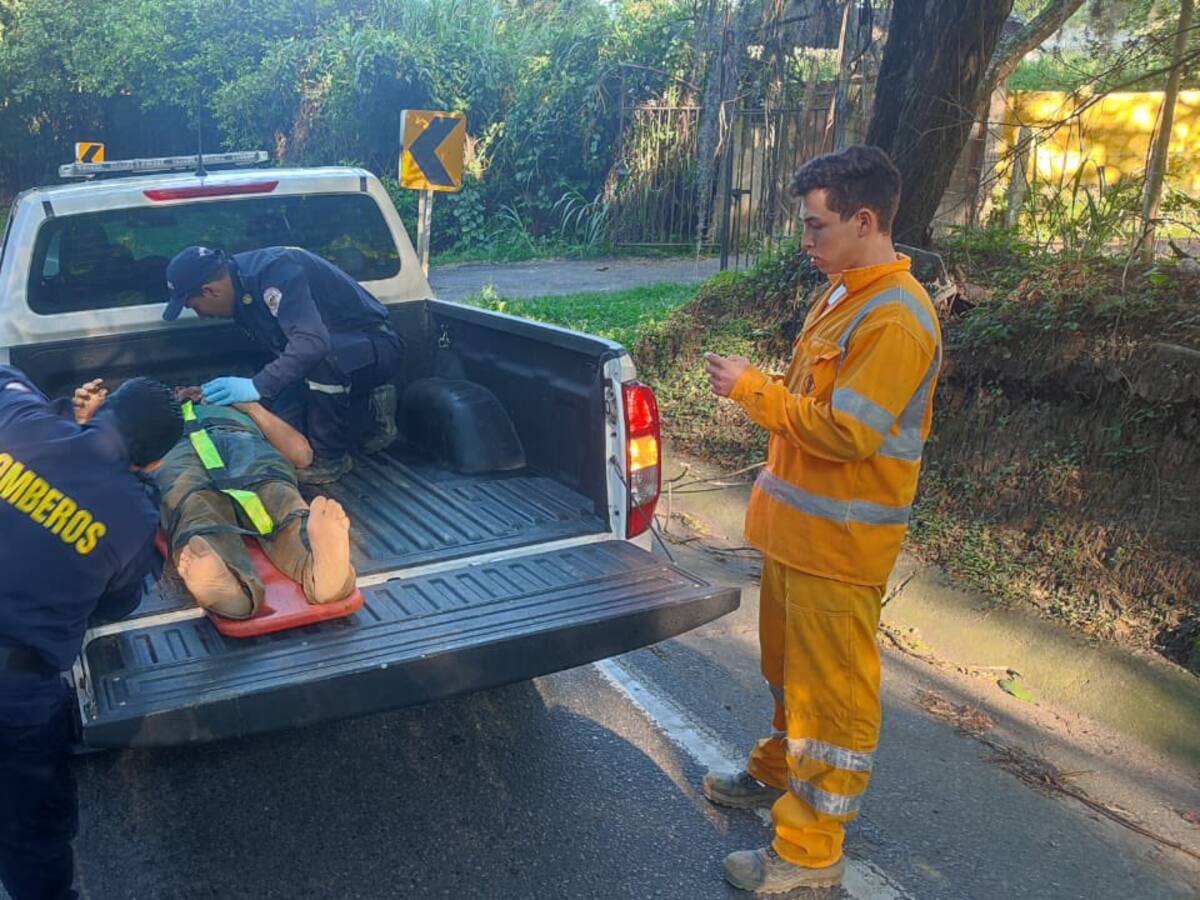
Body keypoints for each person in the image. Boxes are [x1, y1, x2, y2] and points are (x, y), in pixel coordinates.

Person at [702, 145, 943, 893]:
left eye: (816, 227)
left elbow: (847, 433)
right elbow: (812, 405)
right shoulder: (844, 291)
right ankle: (777, 772)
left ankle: (808, 854)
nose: (805, 243)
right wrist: (764, 388)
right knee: (788, 677)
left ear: (865, 220)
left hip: (841, 547)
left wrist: (751, 391)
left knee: (828, 700)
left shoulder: (895, 319)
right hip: (799, 538)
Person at [0, 371, 182, 900]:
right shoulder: (135, 515)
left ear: (105, 410)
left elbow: (7, 379)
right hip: (18, 693)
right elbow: (114, 604)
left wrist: (65, 419)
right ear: (151, 461)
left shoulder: (20, 422)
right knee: (32, 836)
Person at [73, 381, 356, 620]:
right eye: (175, 391)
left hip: (242, 440)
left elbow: (301, 455)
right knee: (193, 502)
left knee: (276, 493)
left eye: (195, 387)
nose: (186, 392)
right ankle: (227, 591)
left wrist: (251, 406)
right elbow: (112, 463)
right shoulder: (151, 428)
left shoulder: (237, 407)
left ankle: (323, 570)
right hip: (175, 453)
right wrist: (93, 423)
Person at [161, 245, 404, 484]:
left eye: (195, 307)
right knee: (282, 429)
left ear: (210, 291)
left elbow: (312, 344)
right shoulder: (240, 288)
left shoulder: (275, 271)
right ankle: (366, 411)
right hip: (326, 362)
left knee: (321, 356)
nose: (202, 316)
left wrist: (257, 386)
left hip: (373, 347)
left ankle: (332, 459)